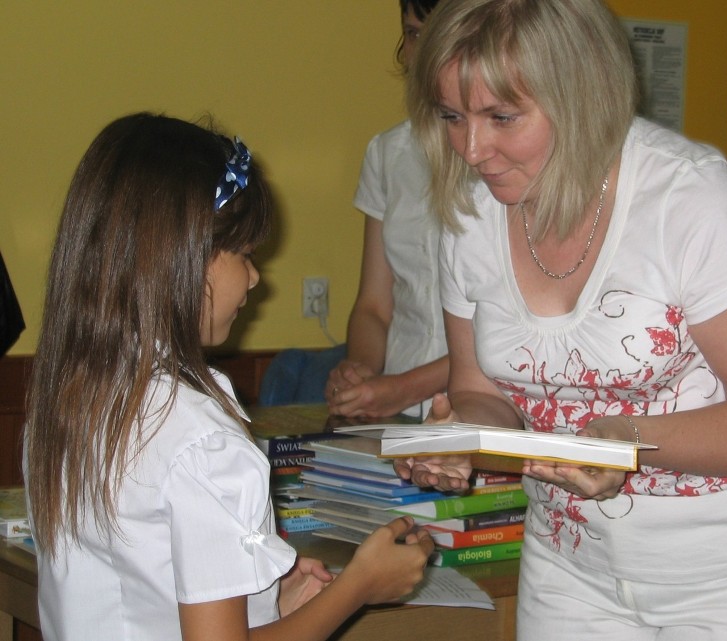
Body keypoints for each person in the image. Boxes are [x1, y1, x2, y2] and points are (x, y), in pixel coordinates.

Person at [394, 1, 727, 639]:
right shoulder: (472, 216)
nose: (471, 149)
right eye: (451, 116)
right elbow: (480, 392)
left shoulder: (694, 202)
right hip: (570, 566)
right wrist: (463, 438)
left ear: (580, 95)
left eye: (502, 118)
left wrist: (620, 439)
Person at [24, 113, 434, 641]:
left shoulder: (71, 400)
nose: (255, 276)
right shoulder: (200, 440)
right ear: (182, 260)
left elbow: (144, 597)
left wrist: (268, 602)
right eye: (243, 253)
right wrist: (356, 587)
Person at [325, 0, 447, 419]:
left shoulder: (509, 155)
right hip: (399, 411)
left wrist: (402, 388)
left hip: (489, 409)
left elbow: (510, 332)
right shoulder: (388, 153)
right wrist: (359, 370)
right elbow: (374, 306)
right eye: (413, 34)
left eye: (437, 32)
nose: (422, 53)